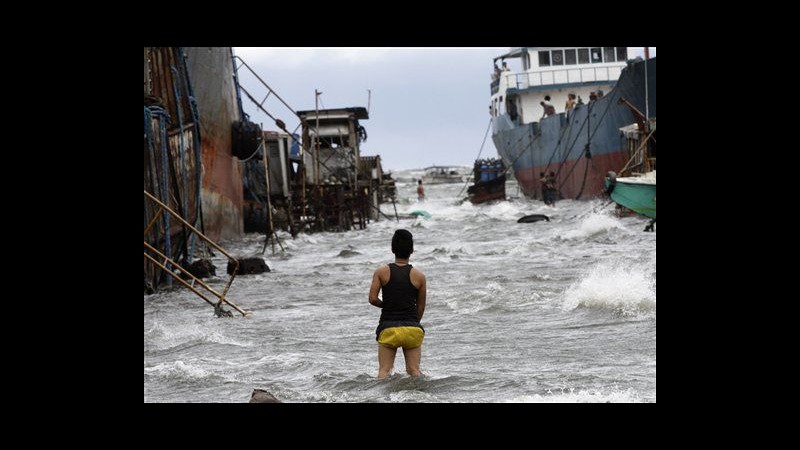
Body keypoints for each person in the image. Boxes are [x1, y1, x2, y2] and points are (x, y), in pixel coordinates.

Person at [368, 229, 427, 378]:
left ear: (392, 248)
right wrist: (413, 322)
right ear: (412, 250)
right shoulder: (419, 276)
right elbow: (420, 307)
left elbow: (372, 299)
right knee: (414, 371)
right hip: (412, 328)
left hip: (388, 329)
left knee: (384, 371)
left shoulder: (381, 272)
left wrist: (387, 305)